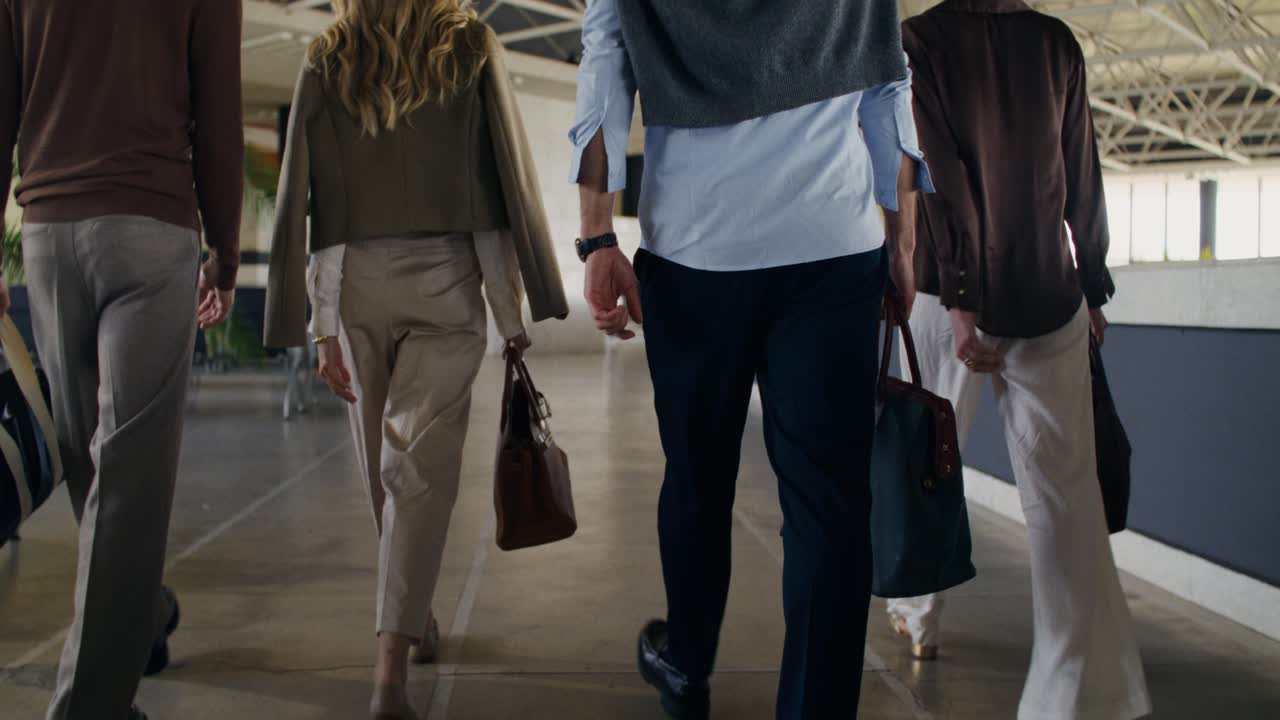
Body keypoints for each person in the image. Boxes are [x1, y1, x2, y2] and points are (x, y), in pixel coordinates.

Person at [570, 1, 931, 717]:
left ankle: (687, 663)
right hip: (832, 241)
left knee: (698, 479)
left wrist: (597, 237)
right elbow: (888, 84)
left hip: (696, 246)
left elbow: (606, 66)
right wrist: (903, 238)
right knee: (828, 505)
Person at [264, 2, 567, 718]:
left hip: (358, 285)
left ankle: (393, 655)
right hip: (449, 283)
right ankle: (401, 635)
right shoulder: (470, 46)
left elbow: (319, 198)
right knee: (413, 472)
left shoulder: (331, 55)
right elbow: (500, 188)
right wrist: (506, 305)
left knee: (383, 471)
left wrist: (323, 321)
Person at [886, 2, 1152, 718]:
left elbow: (938, 171)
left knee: (926, 462)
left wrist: (966, 292)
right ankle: (1071, 694)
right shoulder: (1056, 42)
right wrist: (1090, 282)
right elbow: (1080, 171)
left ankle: (918, 613)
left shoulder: (922, 40)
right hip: (1047, 294)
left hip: (950, 296)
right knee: (1066, 505)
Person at [0, 1, 243, 718]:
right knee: (128, 476)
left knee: (92, 461)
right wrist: (224, 251)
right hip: (149, 229)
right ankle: (89, 706)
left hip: (46, 238)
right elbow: (219, 117)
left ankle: (139, 615)